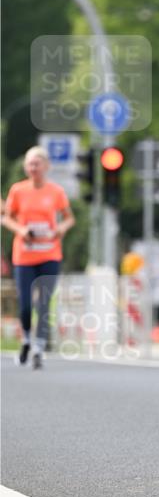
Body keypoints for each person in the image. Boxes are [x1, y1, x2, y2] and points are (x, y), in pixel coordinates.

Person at [2, 145, 75, 369]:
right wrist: (22, 230)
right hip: (24, 255)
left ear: (46, 166)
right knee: (25, 305)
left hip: (49, 253)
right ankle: (26, 339)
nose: (33, 168)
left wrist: (60, 229)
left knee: (43, 303)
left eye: (37, 163)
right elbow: (6, 218)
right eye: (30, 164)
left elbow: (69, 218)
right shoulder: (18, 190)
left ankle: (39, 349)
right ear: (26, 167)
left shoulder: (56, 192)